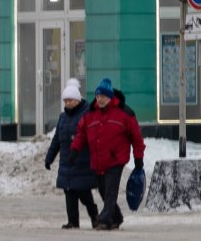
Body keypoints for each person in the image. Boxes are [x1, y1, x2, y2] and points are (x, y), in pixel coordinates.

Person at [69, 77, 145, 231]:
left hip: (116, 159)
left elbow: (136, 137)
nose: (100, 99)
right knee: (103, 190)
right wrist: (75, 150)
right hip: (98, 159)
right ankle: (116, 217)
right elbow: (81, 134)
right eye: (97, 96)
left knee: (110, 190)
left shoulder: (125, 113)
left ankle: (104, 219)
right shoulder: (90, 114)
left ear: (110, 96)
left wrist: (139, 158)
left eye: (103, 96)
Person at [44, 78, 99, 229]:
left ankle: (95, 217)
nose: (67, 103)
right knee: (69, 193)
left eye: (70, 100)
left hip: (82, 162)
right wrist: (49, 158)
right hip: (67, 162)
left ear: (77, 100)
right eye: (65, 101)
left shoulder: (86, 114)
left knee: (84, 193)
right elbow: (56, 140)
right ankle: (72, 221)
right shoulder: (63, 117)